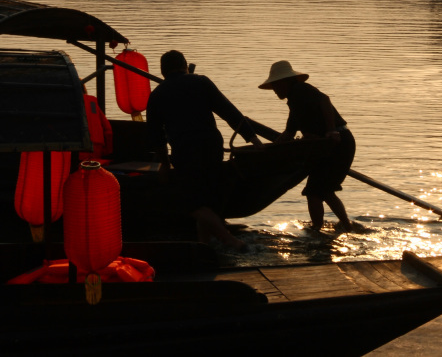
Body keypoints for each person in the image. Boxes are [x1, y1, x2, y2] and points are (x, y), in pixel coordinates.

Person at [146, 50, 261, 250]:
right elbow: (230, 112)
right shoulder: (201, 82)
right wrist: (253, 139)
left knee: (190, 204)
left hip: (185, 151)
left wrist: (164, 164)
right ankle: (203, 246)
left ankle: (228, 239)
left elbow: (156, 136)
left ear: (163, 72)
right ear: (185, 66)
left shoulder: (157, 95)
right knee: (206, 200)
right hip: (212, 147)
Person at [259, 60, 355, 232]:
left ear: (284, 82)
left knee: (314, 192)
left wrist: (332, 130)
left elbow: (324, 100)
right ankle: (346, 226)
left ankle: (317, 230)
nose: (274, 90)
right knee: (325, 189)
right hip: (329, 146)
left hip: (338, 143)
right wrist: (268, 150)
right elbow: (288, 134)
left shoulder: (300, 90)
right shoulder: (294, 102)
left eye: (275, 85)